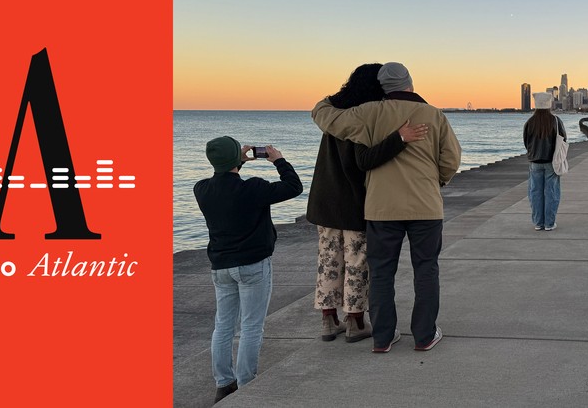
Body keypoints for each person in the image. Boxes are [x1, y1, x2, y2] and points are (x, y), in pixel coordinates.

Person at [311, 62, 462, 353]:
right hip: (426, 207)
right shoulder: (434, 115)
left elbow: (327, 118)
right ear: (410, 83)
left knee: (381, 273)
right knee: (426, 270)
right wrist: (435, 183)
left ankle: (382, 338)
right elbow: (450, 160)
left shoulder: (368, 114)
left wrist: (328, 101)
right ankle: (424, 336)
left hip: (381, 209)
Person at [193, 137, 303, 402]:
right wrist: (278, 160)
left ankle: (224, 383)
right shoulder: (254, 188)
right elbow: (294, 187)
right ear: (235, 160)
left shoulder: (202, 189)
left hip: (221, 267)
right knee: (252, 326)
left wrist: (235, 164)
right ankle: (246, 383)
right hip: (253, 265)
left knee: (223, 327)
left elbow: (224, 183)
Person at [523, 92, 566, 231]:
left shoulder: (530, 122)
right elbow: (563, 138)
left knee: (535, 193)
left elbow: (526, 142)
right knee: (551, 192)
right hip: (551, 162)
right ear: (549, 104)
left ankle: (538, 223)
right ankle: (549, 223)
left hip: (535, 162)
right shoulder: (555, 121)